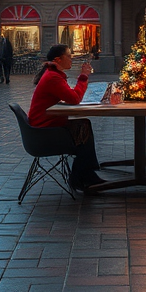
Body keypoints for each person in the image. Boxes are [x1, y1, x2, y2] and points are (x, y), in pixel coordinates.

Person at [27, 44, 104, 190]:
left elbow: (69, 96)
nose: (71, 59)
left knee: (84, 125)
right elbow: (74, 98)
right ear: (58, 59)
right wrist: (83, 76)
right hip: (44, 131)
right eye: (68, 56)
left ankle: (85, 174)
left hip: (44, 125)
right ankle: (83, 175)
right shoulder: (53, 77)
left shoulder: (53, 74)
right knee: (83, 129)